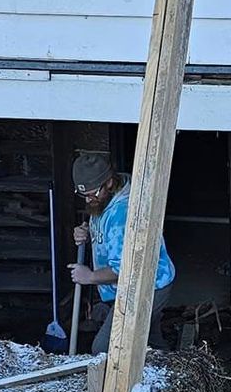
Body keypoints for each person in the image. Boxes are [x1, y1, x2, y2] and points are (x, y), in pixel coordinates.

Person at [69, 151, 174, 352]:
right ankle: (169, 371)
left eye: (93, 193)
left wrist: (89, 276)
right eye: (84, 195)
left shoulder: (123, 214)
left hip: (146, 287)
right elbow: (107, 231)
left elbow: (125, 270)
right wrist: (87, 231)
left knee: (104, 348)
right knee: (149, 339)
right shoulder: (106, 198)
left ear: (109, 182)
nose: (89, 200)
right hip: (133, 286)